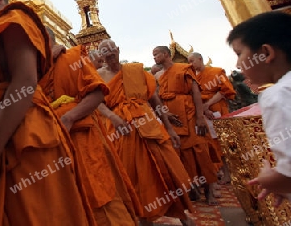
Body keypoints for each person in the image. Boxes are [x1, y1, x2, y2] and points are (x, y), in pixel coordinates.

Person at [0, 0, 96, 225]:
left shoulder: (13, 20)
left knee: (36, 214)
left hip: (22, 136)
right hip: (0, 133)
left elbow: (25, 82)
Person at [40, 30, 141, 225]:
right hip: (50, 141)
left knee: (99, 190)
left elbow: (97, 93)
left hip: (83, 137)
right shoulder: (33, 70)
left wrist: (69, 117)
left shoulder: (73, 58)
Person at [97, 39, 195, 226]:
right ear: (100, 56)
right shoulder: (98, 76)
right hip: (121, 130)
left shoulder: (135, 71)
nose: (109, 53)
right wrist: (113, 117)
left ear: (118, 49)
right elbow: (97, 102)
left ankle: (182, 215)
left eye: (111, 49)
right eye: (104, 51)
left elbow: (154, 99)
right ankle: (144, 219)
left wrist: (167, 127)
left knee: (167, 169)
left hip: (148, 125)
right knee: (132, 177)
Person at [227, 11, 291, 205]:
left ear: (266, 53)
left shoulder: (276, 94)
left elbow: (289, 175)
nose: (238, 64)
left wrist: (268, 179)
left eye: (239, 54)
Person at [153, 46, 219, 205]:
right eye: (153, 55)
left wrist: (200, 117)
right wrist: (165, 114)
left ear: (166, 54)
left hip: (189, 116)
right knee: (181, 155)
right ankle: (192, 189)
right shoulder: (158, 76)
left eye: (156, 54)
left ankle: (209, 191)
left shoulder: (184, 69)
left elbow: (195, 93)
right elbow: (156, 99)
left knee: (201, 151)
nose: (154, 57)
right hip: (172, 120)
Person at [188, 52, 236, 185]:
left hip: (218, 110)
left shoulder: (216, 72)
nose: (190, 65)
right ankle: (216, 172)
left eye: (192, 61)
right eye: (188, 62)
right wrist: (204, 109)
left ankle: (229, 173)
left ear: (200, 59)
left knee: (223, 142)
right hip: (202, 113)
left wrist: (208, 105)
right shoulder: (193, 77)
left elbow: (224, 91)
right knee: (209, 144)